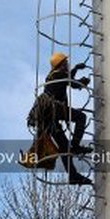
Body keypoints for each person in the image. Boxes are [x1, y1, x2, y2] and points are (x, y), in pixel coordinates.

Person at [27, 51, 92, 185]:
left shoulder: (52, 76)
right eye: (66, 63)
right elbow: (73, 84)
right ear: (62, 64)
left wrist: (75, 69)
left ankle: (73, 175)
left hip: (48, 119)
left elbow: (67, 80)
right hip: (53, 110)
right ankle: (76, 146)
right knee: (81, 117)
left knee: (63, 147)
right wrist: (83, 82)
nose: (67, 64)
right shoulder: (59, 75)